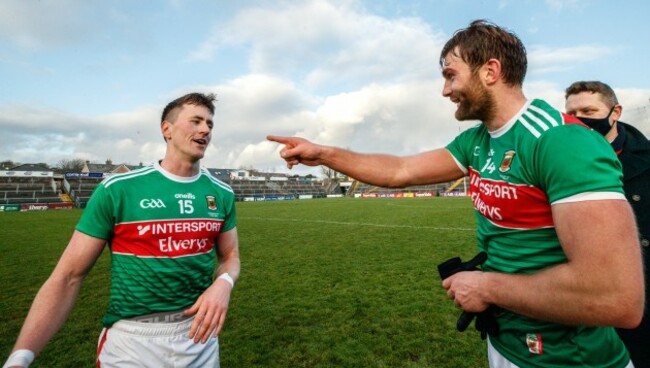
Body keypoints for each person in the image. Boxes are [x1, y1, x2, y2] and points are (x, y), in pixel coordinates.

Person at [267, 20, 644, 367]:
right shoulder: (476, 141)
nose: (445, 90)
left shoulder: (560, 140)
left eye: (451, 75)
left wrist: (487, 286)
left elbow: (615, 297)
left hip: (569, 359)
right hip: (507, 343)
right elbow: (401, 170)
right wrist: (322, 153)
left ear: (490, 71)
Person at [3, 92, 240, 368]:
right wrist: (20, 357)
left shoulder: (221, 192)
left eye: (210, 124)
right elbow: (68, 276)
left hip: (199, 337)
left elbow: (231, 255)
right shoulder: (118, 189)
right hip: (132, 343)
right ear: (167, 129)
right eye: (196, 121)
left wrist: (223, 284)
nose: (205, 130)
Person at [565, 81, 650, 368]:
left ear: (615, 113)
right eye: (572, 112)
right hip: (586, 296)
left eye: (589, 110)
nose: (579, 119)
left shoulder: (645, 158)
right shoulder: (561, 159)